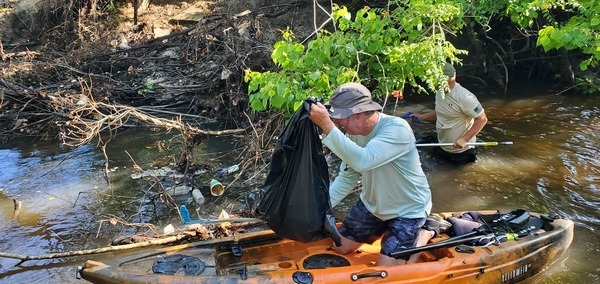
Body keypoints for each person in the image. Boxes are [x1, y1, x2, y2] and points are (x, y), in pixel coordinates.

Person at [308, 82, 449, 266]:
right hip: (372, 205)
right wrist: (319, 208)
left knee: (388, 271)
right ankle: (390, 234)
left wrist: (326, 125)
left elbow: (363, 160)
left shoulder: (397, 129)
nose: (337, 122)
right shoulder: (353, 133)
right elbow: (348, 177)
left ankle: (426, 231)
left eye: (341, 118)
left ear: (358, 114)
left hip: (407, 211)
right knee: (340, 247)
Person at [411, 62, 488, 164]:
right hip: (442, 145)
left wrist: (464, 139)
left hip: (461, 152)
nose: (434, 84)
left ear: (451, 78)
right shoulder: (439, 92)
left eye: (439, 80)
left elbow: (482, 119)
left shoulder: (464, 97)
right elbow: (441, 111)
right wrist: (421, 117)